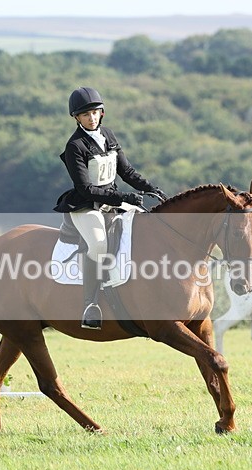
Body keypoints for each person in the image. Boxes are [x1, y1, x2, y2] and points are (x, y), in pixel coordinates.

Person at [54, 87, 165, 330]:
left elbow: (127, 172)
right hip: (86, 206)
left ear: (102, 113)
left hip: (112, 200)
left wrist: (151, 188)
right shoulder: (75, 146)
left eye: (95, 112)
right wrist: (126, 197)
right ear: (76, 118)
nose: (91, 118)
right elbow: (86, 189)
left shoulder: (108, 135)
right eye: (85, 115)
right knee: (98, 244)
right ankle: (90, 304)